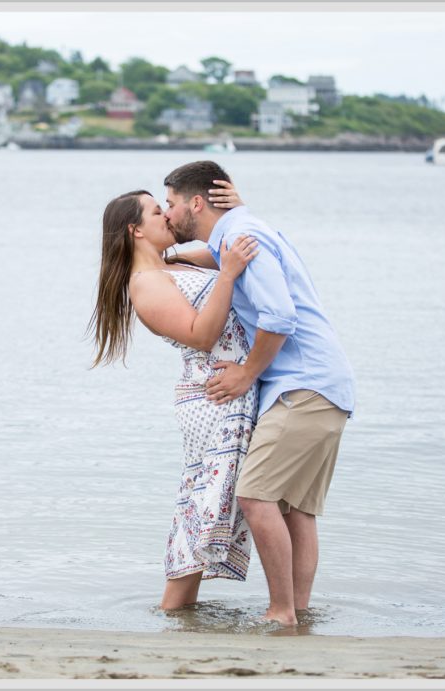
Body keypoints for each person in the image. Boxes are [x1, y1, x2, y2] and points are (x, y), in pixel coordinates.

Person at [162, 160, 356, 627]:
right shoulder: (240, 232)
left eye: (169, 204)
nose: (167, 215)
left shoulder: (239, 234)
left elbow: (279, 316)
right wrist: (172, 258)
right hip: (326, 384)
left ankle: (282, 612)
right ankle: (298, 613)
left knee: (254, 496)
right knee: (294, 509)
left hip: (302, 386)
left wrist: (247, 373)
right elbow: (226, 257)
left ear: (196, 202)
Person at [89, 183, 261, 610]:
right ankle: (174, 607)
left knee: (212, 498)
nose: (166, 215)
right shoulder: (145, 284)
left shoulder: (176, 261)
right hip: (212, 397)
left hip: (230, 389)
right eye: (154, 212)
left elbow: (233, 244)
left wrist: (237, 209)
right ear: (135, 231)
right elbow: (201, 335)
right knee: (203, 501)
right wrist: (226, 276)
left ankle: (180, 612)